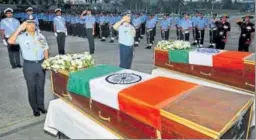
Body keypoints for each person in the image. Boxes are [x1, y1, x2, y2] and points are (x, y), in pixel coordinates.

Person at [8, 15, 49, 117]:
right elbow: (10, 41)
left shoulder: (40, 36)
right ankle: (35, 108)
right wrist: (19, 29)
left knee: (40, 87)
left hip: (41, 64)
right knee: (31, 87)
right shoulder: (21, 37)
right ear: (25, 26)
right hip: (29, 65)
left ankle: (40, 106)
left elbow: (45, 49)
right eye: (29, 24)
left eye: (33, 23)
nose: (32, 25)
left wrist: (47, 62)